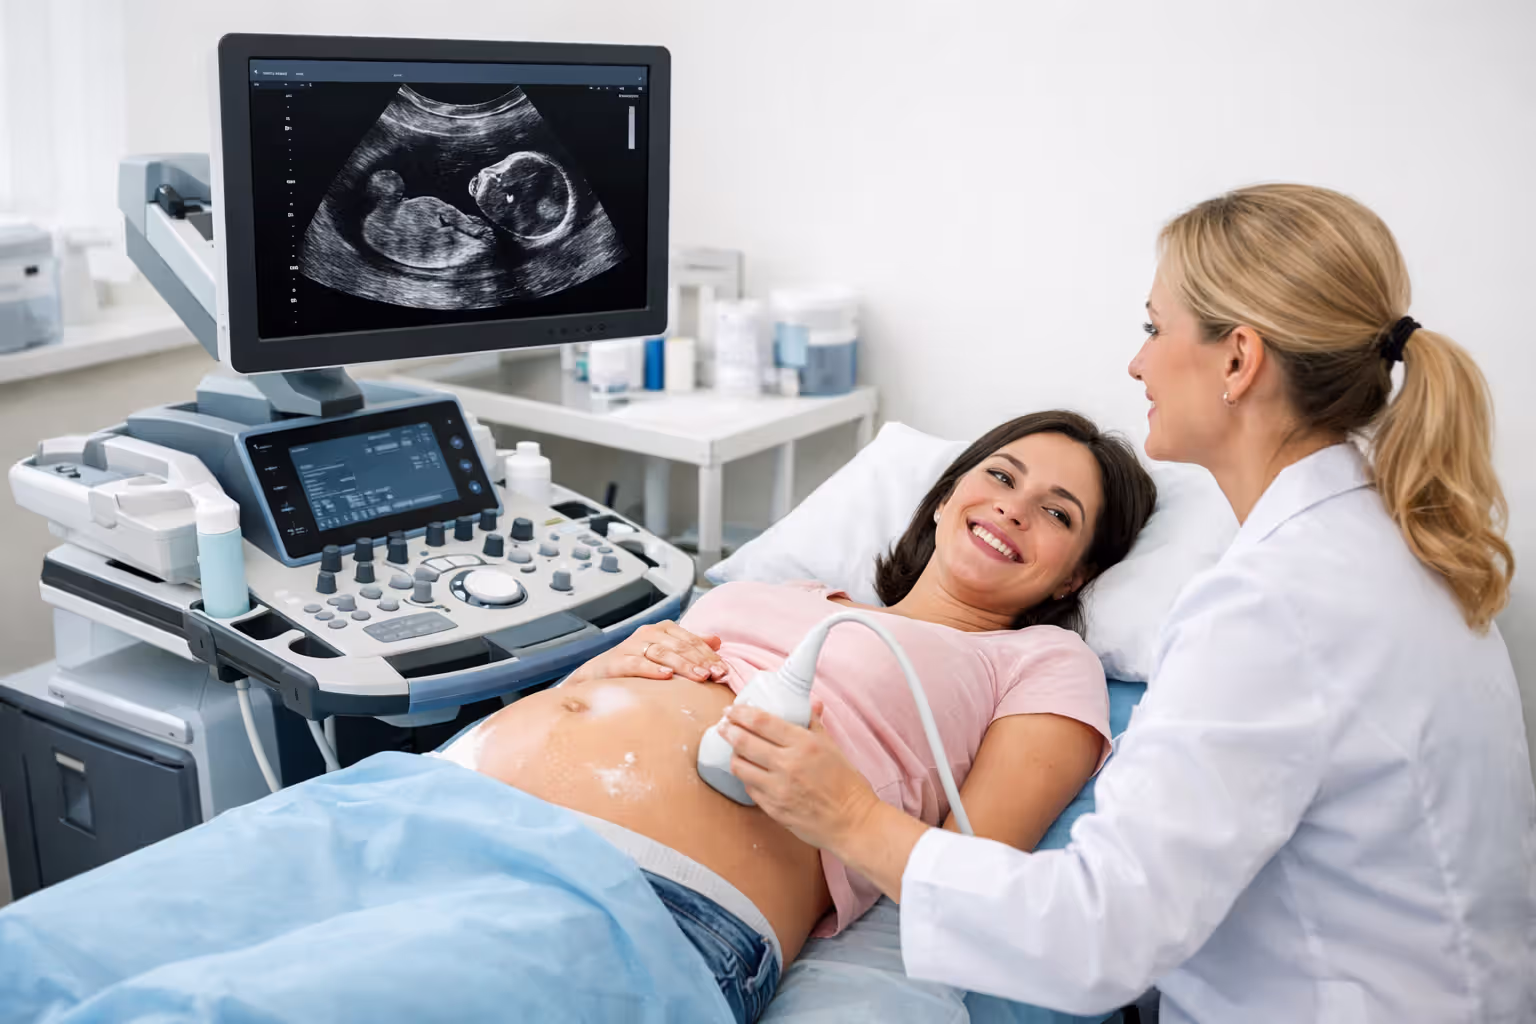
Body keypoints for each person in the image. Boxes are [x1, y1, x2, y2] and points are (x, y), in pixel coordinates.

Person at [721, 184, 1536, 1022]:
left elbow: (1096, 937)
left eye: (1154, 328)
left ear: (1237, 361)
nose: (1136, 364)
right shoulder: (1391, 546)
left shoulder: (1272, 608)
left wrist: (850, 817)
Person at [432, 410, 1155, 1023]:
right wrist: (612, 665)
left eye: (1058, 513)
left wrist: (844, 808)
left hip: (643, 891)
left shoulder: (1042, 660)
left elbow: (976, 880)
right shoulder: (792, 591)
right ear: (943, 499)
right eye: (1000, 475)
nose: (1014, 507)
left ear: (1075, 575)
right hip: (449, 805)